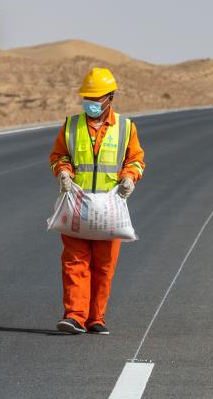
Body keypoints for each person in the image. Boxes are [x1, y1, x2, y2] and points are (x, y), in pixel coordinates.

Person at [48, 67, 145, 335]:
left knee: (104, 266)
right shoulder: (71, 125)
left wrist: (129, 178)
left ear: (110, 98)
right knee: (74, 262)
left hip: (109, 210)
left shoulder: (126, 128)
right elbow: (59, 156)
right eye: (87, 97)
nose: (91, 103)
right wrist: (64, 172)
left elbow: (135, 159)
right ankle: (75, 316)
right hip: (77, 206)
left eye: (96, 97)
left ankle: (95, 318)